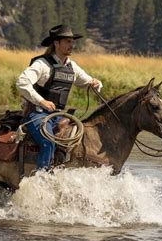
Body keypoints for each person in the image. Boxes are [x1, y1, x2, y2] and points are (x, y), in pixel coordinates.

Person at [16, 24, 102, 171]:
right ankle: (41, 178)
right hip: (37, 114)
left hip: (59, 116)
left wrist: (96, 83)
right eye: (67, 41)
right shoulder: (42, 64)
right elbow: (21, 82)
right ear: (56, 43)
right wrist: (41, 101)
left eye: (72, 41)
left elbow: (87, 81)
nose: (72, 45)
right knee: (47, 142)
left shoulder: (72, 66)